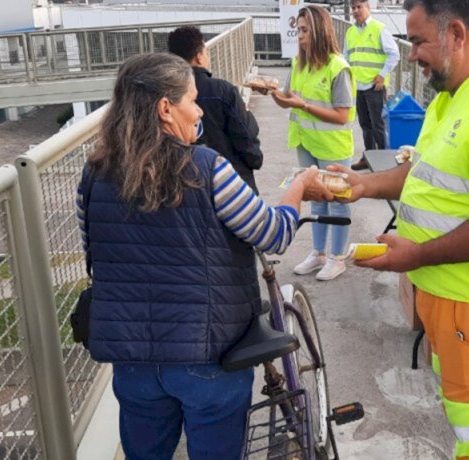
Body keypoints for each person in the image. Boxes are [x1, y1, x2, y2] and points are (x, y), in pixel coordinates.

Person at [327, 0, 469, 458]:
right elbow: (421, 171)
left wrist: (413, 256)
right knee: (466, 420)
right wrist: (363, 185)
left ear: (455, 34)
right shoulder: (454, 94)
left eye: (417, 41)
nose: (411, 55)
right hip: (454, 297)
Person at [76, 52, 330, 460]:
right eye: (191, 101)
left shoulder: (94, 175)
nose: (198, 111)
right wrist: (299, 187)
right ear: (165, 108)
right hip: (207, 355)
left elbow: (98, 252)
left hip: (131, 357)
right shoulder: (208, 168)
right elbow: (273, 232)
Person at [267, 5, 356, 281]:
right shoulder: (298, 63)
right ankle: (318, 253)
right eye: (298, 30)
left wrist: (303, 104)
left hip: (333, 148)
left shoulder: (338, 68)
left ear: (318, 31)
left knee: (338, 202)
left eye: (304, 30)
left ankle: (337, 257)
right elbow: (288, 99)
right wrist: (271, 93)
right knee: (316, 200)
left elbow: (342, 115)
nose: (300, 36)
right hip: (305, 142)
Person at [167, 25, 265, 191]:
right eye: (206, 52)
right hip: (231, 181)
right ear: (199, 57)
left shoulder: (165, 94)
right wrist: (255, 158)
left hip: (185, 183)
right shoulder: (223, 91)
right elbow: (245, 135)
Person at [345, 0, 401, 170]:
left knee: (378, 126)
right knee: (365, 125)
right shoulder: (350, 32)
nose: (355, 10)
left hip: (374, 87)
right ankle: (368, 157)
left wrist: (382, 75)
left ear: (367, 8)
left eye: (359, 7)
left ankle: (384, 162)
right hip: (358, 87)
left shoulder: (378, 28)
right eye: (353, 8)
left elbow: (394, 54)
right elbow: (346, 58)